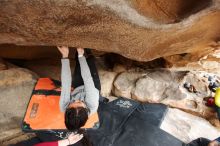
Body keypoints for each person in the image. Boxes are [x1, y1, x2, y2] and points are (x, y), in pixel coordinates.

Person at [57, 46, 101, 131]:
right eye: (80, 102)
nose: (76, 100)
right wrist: (81, 56)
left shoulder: (63, 107)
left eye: (73, 103)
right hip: (93, 87)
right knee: (90, 63)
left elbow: (66, 84)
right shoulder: (93, 104)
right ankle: (88, 53)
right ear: (86, 110)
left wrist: (65, 56)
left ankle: (79, 53)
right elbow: (88, 79)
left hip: (77, 88)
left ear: (67, 110)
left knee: (78, 66)